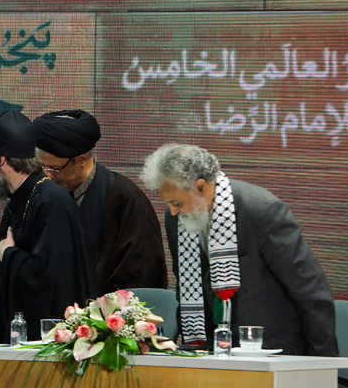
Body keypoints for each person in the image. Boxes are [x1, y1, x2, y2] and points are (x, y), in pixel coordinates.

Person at [141, 143, 337, 355]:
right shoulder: (176, 219)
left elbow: (311, 292)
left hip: (273, 349)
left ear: (201, 186)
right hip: (211, 350)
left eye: (177, 202)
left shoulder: (261, 211)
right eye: (168, 203)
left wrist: (323, 363)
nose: (172, 211)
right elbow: (187, 286)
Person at [0, 110, 96, 343]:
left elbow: (50, 282)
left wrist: (9, 254)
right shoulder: (22, 198)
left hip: (49, 343)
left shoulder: (51, 203)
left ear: (1, 160)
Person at [33, 110, 167, 294]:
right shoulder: (44, 192)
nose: (48, 175)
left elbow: (140, 275)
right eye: (43, 167)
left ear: (81, 159)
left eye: (54, 169)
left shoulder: (126, 199)